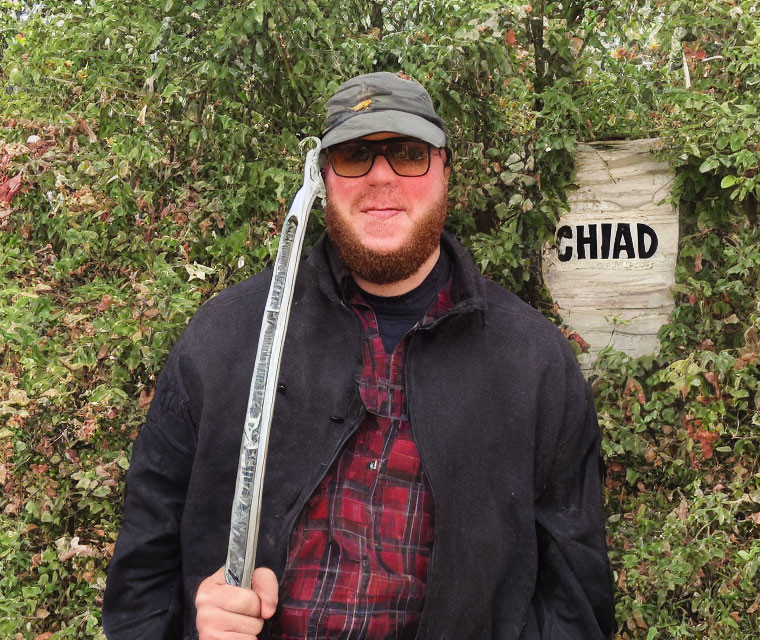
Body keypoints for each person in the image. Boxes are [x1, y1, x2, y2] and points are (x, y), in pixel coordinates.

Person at [102, 71, 615, 640]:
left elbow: (575, 596)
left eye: (407, 153)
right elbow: (144, 565)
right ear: (324, 177)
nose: (380, 176)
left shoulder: (534, 364)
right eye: (353, 156)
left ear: (445, 170)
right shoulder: (228, 337)